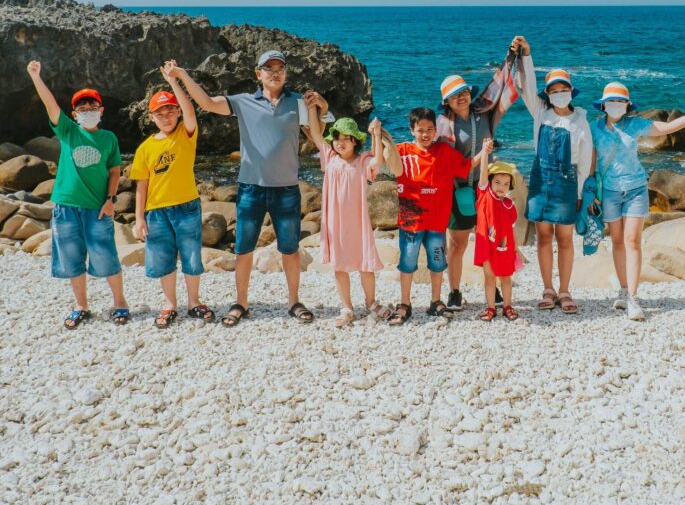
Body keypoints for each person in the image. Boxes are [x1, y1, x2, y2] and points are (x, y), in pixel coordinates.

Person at [170, 50, 329, 326]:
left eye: (280, 68)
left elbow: (317, 135)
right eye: (269, 69)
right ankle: (241, 303)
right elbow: (206, 103)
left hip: (286, 189)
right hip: (251, 189)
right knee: (243, 249)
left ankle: (294, 302)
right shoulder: (243, 102)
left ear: (285, 73)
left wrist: (322, 108)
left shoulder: (298, 102)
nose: (275, 73)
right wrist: (182, 75)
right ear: (258, 74)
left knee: (290, 250)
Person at [590, 82, 685, 321]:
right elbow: (591, 159)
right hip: (609, 192)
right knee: (617, 242)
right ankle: (623, 290)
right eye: (611, 101)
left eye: (620, 101)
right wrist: (589, 189)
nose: (616, 105)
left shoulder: (635, 124)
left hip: (636, 189)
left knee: (632, 241)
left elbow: (667, 128)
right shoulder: (594, 128)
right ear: (603, 105)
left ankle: (633, 297)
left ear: (627, 105)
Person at [25, 61, 128, 329]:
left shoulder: (109, 138)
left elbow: (115, 171)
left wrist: (111, 200)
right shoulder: (68, 131)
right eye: (82, 108)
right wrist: (35, 76)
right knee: (71, 259)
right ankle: (81, 306)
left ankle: (120, 302)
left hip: (97, 209)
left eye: (93, 106)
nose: (88, 111)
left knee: (106, 256)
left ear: (101, 110)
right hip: (66, 208)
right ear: (74, 113)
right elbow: (50, 105)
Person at [435, 48, 523, 312]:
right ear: (447, 102)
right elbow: (446, 163)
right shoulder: (443, 126)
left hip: (487, 188)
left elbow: (499, 87)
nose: (461, 97)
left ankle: (492, 284)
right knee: (459, 243)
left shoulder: (484, 112)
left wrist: (512, 57)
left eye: (463, 92)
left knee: (490, 238)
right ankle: (454, 291)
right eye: (455, 96)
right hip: (458, 189)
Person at [513, 37, 592, 314]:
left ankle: (565, 290)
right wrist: (526, 55)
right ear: (548, 94)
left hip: (567, 184)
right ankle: (548, 289)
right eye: (554, 90)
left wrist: (580, 193)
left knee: (565, 238)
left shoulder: (580, 120)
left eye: (563, 89)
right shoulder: (540, 113)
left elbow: (585, 160)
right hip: (540, 180)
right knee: (544, 236)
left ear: (571, 91)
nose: (559, 93)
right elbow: (527, 87)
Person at [390, 107, 490, 325]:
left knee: (437, 263)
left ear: (436, 130)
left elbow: (466, 166)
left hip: (436, 223)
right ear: (412, 130)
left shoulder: (444, 151)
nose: (425, 134)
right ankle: (404, 303)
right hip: (410, 223)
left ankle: (435, 301)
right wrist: (378, 136)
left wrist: (484, 151)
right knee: (407, 263)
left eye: (430, 129)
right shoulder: (402, 151)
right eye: (420, 130)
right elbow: (381, 160)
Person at [132, 61, 212, 328]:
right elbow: (141, 186)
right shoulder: (144, 149)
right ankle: (169, 304)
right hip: (156, 212)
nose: (166, 117)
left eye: (170, 111)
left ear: (177, 112)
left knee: (191, 256)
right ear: (151, 117)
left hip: (186, 206)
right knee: (163, 259)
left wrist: (173, 81)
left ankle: (194, 302)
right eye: (160, 113)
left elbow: (190, 109)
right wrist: (139, 218)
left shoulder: (185, 134)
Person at [308, 107, 401, 328]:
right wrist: (312, 108)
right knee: (340, 265)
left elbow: (378, 160)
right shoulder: (330, 157)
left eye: (346, 139)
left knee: (365, 263)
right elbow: (315, 133)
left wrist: (375, 134)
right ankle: (346, 307)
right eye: (337, 138)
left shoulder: (362, 162)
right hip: (335, 223)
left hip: (358, 222)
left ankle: (371, 303)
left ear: (355, 141)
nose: (340, 143)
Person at [473, 139, 521, 322]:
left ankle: (507, 306)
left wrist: (516, 248)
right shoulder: (485, 196)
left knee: (506, 278)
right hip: (487, 245)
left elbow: (511, 229)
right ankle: (491, 308)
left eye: (506, 184)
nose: (502, 187)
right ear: (490, 182)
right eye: (498, 182)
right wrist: (485, 152)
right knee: (489, 277)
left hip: (504, 247)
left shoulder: (509, 205)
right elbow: (483, 173)